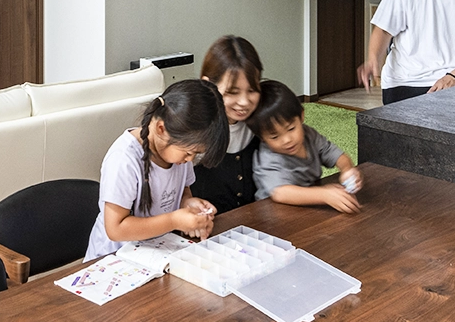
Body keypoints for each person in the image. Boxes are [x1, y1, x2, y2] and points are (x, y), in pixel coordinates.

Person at [83, 79, 229, 260]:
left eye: (196, 154)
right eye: (189, 153)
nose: (190, 160)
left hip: (155, 253)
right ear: (161, 129)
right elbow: (116, 229)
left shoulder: (179, 154)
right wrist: (174, 221)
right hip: (112, 260)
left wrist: (188, 204)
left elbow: (182, 191)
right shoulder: (124, 159)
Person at [252, 81, 361, 213]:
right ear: (262, 138)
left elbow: (332, 152)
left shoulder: (309, 134)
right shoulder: (268, 157)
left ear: (302, 116)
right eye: (274, 137)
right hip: (275, 213)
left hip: (308, 205)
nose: (287, 140)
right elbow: (280, 193)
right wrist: (324, 195)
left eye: (291, 129)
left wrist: (347, 169)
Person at [193, 35, 265, 214]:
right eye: (232, 92)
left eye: (252, 90)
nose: (244, 102)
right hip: (208, 224)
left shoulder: (261, 118)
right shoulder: (193, 129)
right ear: (208, 85)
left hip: (255, 219)